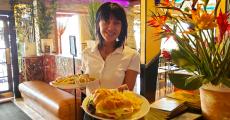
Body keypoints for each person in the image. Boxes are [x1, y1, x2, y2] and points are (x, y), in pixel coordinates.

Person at [81, 2, 140, 119]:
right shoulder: (86, 53)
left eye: (116, 23)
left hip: (114, 114)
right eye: (106, 21)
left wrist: (104, 96)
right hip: (89, 113)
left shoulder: (132, 55)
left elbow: (127, 90)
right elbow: (83, 84)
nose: (111, 27)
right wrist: (80, 85)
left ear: (122, 27)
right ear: (98, 24)